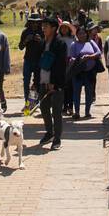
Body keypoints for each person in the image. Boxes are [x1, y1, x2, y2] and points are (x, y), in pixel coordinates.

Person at [36, 16, 68, 150]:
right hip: (43, 82)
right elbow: (38, 64)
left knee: (56, 111)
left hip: (56, 84)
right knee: (43, 108)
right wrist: (36, 81)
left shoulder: (60, 44)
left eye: (46, 26)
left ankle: (57, 139)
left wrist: (54, 82)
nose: (43, 29)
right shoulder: (42, 43)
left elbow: (61, 65)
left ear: (54, 28)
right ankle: (49, 132)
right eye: (43, 26)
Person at [68, 25, 101, 120]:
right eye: (79, 33)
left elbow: (98, 52)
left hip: (90, 72)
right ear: (77, 35)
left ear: (86, 34)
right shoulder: (74, 45)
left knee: (89, 92)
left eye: (83, 33)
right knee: (76, 92)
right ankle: (77, 112)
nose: (81, 35)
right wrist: (76, 60)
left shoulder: (91, 42)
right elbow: (71, 57)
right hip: (78, 71)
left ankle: (87, 111)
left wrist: (89, 57)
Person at [20, 13, 45, 108]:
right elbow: (20, 47)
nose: (35, 24)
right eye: (33, 22)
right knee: (26, 82)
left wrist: (41, 41)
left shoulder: (42, 32)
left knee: (36, 82)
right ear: (29, 22)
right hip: (28, 60)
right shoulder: (25, 32)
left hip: (39, 61)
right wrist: (26, 40)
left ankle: (33, 103)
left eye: (37, 22)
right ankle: (27, 103)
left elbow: (46, 47)